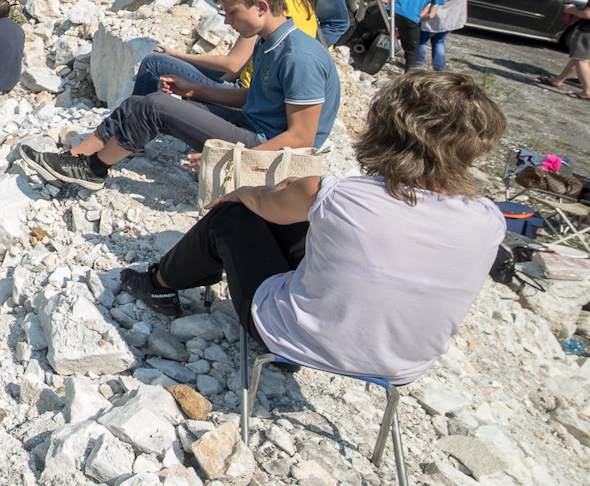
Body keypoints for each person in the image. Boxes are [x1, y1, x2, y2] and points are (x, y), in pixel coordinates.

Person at [117, 69, 507, 393]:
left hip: (292, 339)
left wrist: (239, 192)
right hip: (401, 367)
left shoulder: (339, 195)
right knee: (314, 229)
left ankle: (159, 283)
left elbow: (261, 203)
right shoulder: (490, 220)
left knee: (232, 216)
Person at [18, 0, 340, 193]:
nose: (227, 22)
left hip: (266, 146)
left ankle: (94, 171)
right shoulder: (270, 41)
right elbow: (253, 98)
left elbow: (301, 137)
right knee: (138, 102)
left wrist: (234, 161)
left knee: (155, 107)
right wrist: (196, 90)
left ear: (262, 7)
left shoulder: (299, 57)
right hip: (252, 125)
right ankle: (75, 160)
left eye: (232, 12)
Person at [130, 0, 319, 97]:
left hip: (247, 91)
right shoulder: (301, 0)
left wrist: (179, 55)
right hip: (263, 86)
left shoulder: (267, 4)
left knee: (154, 63)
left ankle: (126, 131)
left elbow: (234, 64)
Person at [388, 0, 444, 70]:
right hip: (410, 19)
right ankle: (409, 75)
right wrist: (417, 20)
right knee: (412, 50)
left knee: (362, 28)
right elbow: (431, 15)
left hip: (391, 12)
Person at [419, 0, 466, 71]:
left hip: (438, 18)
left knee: (421, 41)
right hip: (452, 19)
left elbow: (429, 1)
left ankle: (417, 65)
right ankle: (438, 69)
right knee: (438, 42)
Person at [546, 1, 590, 99]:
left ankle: (587, 91)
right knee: (577, 57)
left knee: (581, 60)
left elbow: (588, 14)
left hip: (587, 31)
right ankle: (558, 80)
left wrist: (573, 10)